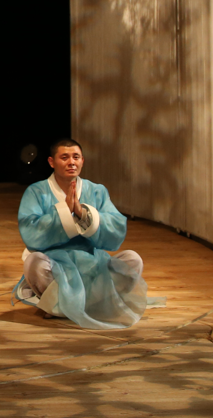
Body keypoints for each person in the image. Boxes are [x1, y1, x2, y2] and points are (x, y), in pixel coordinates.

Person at [12, 138, 147, 329]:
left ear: (82, 160)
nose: (71, 162)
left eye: (76, 157)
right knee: (33, 263)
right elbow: (30, 231)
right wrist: (63, 214)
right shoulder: (36, 192)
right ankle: (63, 303)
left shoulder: (97, 191)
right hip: (55, 263)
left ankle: (77, 305)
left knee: (133, 260)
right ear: (51, 162)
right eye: (64, 157)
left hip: (92, 262)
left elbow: (116, 228)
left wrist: (83, 214)